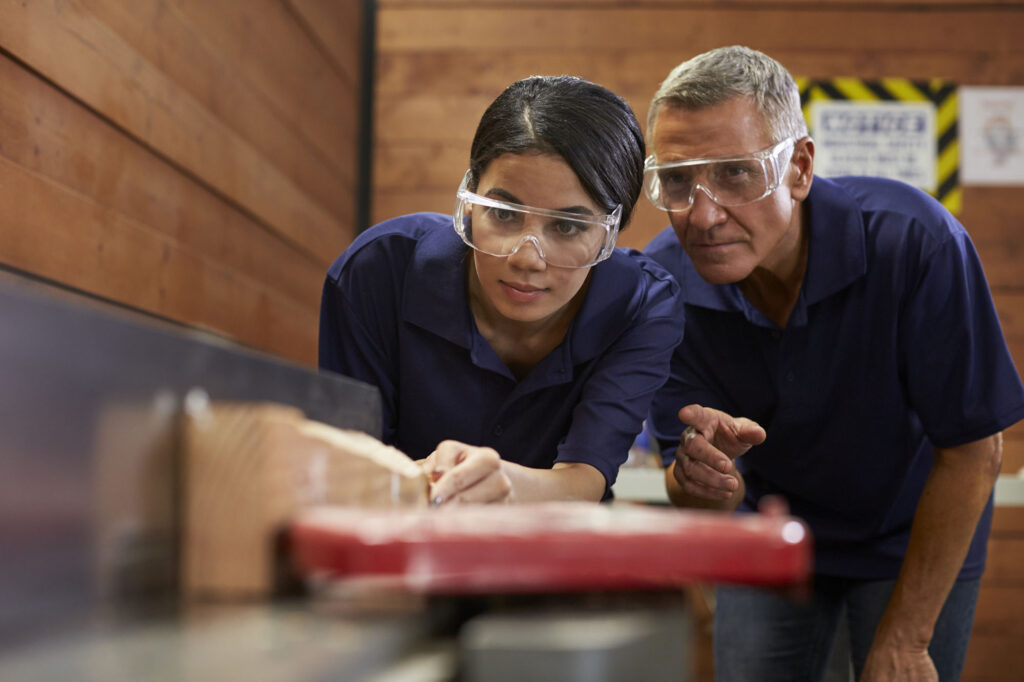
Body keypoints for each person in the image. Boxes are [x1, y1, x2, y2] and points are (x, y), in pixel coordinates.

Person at [641, 46, 1024, 681]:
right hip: (771, 538)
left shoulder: (915, 243)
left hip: (913, 533)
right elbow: (691, 493)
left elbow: (975, 450)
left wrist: (905, 640)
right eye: (677, 181)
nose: (702, 215)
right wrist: (705, 483)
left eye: (736, 173)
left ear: (799, 167)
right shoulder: (664, 286)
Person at [319, 76, 683, 506]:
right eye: (505, 215)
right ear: (470, 199)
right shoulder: (378, 271)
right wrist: (427, 479)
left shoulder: (642, 305)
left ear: (612, 233)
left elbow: (585, 478)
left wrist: (498, 484)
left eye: (567, 226)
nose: (527, 258)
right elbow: (343, 469)